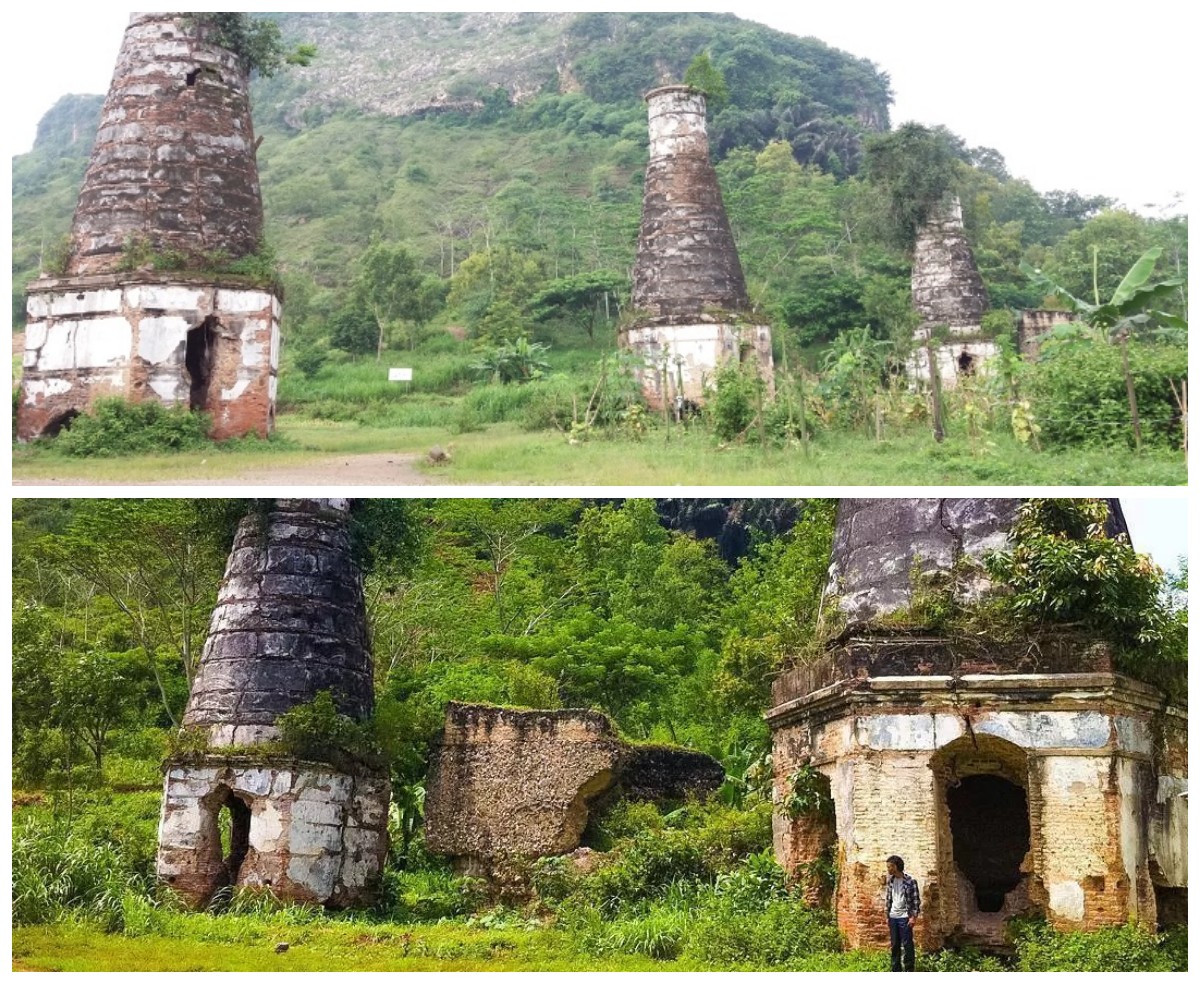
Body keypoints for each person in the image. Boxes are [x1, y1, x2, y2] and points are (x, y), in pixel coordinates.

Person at [884, 855, 920, 972]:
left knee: (907, 944)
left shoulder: (910, 882)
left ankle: (909, 970)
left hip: (905, 917)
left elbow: (916, 901)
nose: (888, 869)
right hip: (893, 917)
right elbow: (888, 899)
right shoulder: (890, 881)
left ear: (896, 866)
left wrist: (913, 917)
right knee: (894, 945)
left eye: (890, 867)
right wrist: (887, 916)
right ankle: (896, 970)